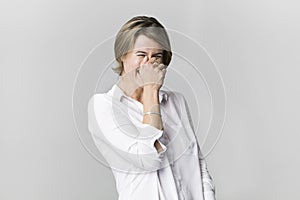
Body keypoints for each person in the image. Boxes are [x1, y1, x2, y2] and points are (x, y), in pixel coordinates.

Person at [88, 16, 216, 200]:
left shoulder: (176, 102)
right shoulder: (104, 106)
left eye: (156, 56)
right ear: (122, 55)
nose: (149, 63)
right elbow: (148, 158)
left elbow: (198, 164)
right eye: (141, 55)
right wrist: (150, 89)